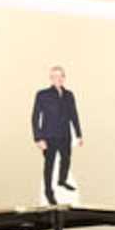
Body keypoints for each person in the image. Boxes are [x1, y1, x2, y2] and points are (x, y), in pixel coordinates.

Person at [32, 67, 81, 205]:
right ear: (51, 78)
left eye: (60, 76)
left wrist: (78, 134)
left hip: (65, 135)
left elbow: (74, 115)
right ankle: (49, 191)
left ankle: (62, 180)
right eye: (54, 76)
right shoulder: (43, 94)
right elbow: (35, 117)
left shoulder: (69, 95)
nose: (57, 79)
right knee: (49, 164)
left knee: (66, 159)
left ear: (64, 78)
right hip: (49, 136)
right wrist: (38, 138)